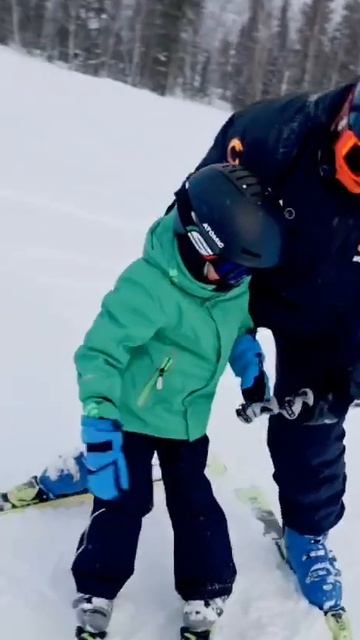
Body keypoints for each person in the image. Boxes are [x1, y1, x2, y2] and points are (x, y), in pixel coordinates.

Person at [70, 164, 284, 640]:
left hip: (187, 423)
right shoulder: (149, 286)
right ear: (197, 241)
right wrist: (100, 416)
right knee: (122, 501)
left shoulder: (229, 285)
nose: (237, 280)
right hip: (130, 418)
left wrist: (250, 365)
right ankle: (96, 588)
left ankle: (206, 589)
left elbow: (237, 327)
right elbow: (99, 353)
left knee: (195, 504)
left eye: (246, 272)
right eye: (231, 268)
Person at [183, 80, 360, 615]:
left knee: (313, 433)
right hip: (238, 277)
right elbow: (192, 209)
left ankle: (307, 533)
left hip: (328, 316)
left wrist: (343, 385)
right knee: (163, 358)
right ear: (345, 122)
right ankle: (114, 442)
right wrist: (191, 292)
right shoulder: (272, 135)